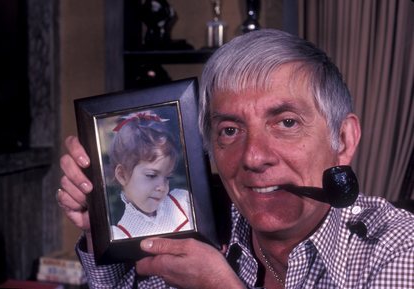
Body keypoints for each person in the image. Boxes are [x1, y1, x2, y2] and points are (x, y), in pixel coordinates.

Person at [57, 29, 414, 288]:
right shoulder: (195, 233)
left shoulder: (398, 248)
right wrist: (99, 225)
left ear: (344, 139)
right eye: (230, 130)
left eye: (287, 122)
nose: (254, 157)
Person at [105, 111, 193, 239]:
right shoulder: (120, 235)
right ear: (122, 175)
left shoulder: (182, 203)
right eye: (151, 175)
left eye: (167, 177)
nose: (162, 187)